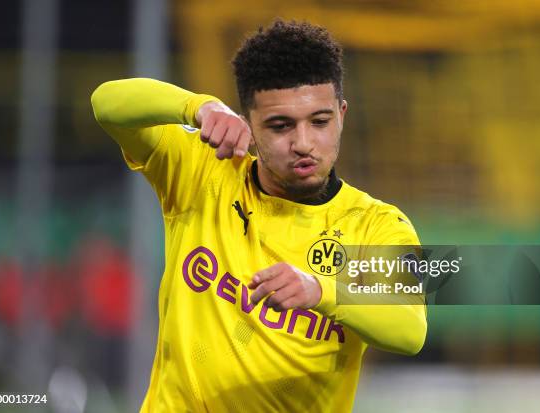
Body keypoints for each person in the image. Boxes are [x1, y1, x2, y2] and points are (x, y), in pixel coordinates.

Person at [91, 19, 427, 413]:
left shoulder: (374, 224)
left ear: (342, 114)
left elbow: (411, 329)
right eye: (281, 126)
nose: (303, 144)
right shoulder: (202, 171)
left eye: (319, 121)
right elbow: (105, 104)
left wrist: (323, 291)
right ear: (249, 124)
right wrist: (197, 106)